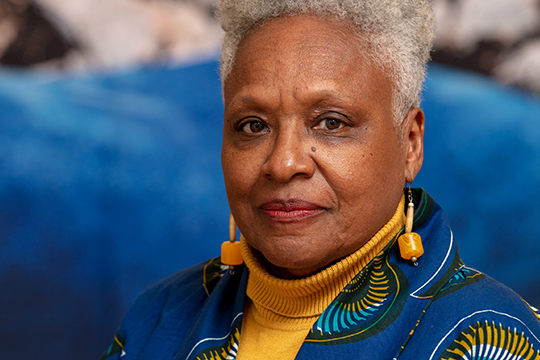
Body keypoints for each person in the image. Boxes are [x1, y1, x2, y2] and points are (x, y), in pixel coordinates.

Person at [101, 1, 540, 359]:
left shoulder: (491, 337)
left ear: (410, 144)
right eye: (253, 125)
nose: (283, 162)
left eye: (331, 122)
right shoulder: (157, 317)